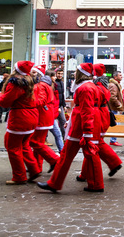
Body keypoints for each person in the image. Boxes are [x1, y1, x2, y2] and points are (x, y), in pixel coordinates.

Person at [37, 63, 104, 193]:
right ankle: (95, 184)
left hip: (82, 125)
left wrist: (87, 132)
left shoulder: (85, 88)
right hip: (84, 124)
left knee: (70, 154)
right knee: (87, 153)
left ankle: (56, 183)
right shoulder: (90, 86)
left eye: (76, 72)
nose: (74, 74)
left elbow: (87, 111)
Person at [76, 63, 122, 182]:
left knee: (93, 144)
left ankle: (113, 163)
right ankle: (85, 174)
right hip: (103, 114)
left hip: (98, 116)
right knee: (95, 143)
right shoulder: (104, 84)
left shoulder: (96, 85)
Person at [0, 61, 41, 185]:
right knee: (24, 145)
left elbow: (5, 102)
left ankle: (19, 176)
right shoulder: (30, 81)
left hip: (20, 117)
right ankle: (33, 169)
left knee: (12, 147)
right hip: (31, 116)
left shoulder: (16, 84)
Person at [29, 65, 60, 173]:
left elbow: (41, 101)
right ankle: (37, 166)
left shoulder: (41, 85)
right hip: (45, 116)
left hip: (42, 117)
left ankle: (54, 159)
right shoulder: (45, 85)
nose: (31, 75)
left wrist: (29, 103)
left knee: (34, 142)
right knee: (39, 142)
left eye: (33, 73)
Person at [46, 70, 64, 153]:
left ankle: (62, 150)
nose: (56, 77)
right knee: (57, 133)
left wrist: (62, 105)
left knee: (58, 132)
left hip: (54, 109)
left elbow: (61, 96)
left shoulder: (57, 84)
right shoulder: (48, 86)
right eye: (54, 75)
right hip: (50, 112)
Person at [108, 71, 124, 146]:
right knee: (115, 124)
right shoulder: (113, 85)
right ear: (115, 77)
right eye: (120, 75)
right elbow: (112, 97)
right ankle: (113, 140)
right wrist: (119, 104)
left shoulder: (116, 84)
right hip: (113, 108)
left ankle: (113, 140)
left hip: (114, 108)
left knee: (115, 123)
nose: (122, 76)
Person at [55, 68, 67, 138]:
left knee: (63, 121)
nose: (60, 75)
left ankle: (64, 137)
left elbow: (62, 94)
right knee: (49, 123)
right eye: (59, 73)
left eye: (61, 74)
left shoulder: (62, 82)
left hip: (60, 106)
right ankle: (45, 139)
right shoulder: (54, 83)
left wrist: (64, 105)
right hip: (55, 106)